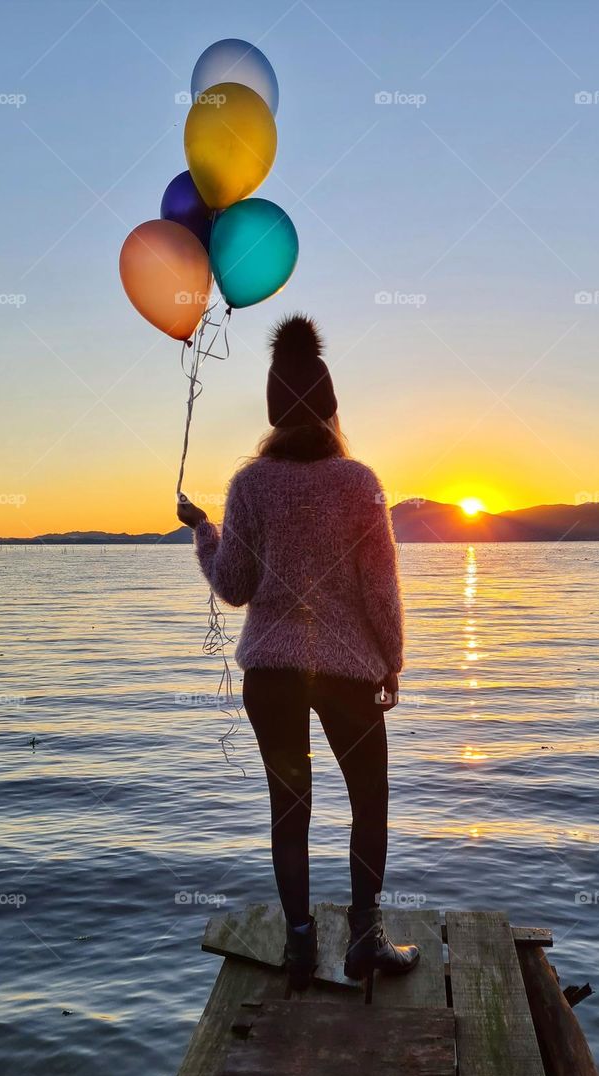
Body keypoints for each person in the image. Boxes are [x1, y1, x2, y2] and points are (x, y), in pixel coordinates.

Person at [177, 313, 420, 989]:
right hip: (348, 677)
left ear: (273, 409)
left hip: (273, 679)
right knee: (369, 802)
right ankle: (365, 939)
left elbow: (233, 585)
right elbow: (381, 590)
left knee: (291, 809)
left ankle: (300, 944)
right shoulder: (358, 482)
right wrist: (391, 659)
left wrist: (203, 530)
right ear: (332, 405)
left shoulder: (252, 484)